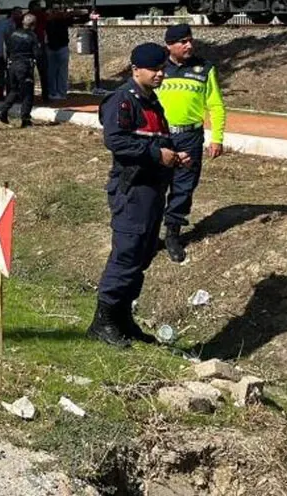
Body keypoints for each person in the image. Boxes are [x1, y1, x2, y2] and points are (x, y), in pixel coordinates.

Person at [88, 42, 192, 348]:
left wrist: (174, 155)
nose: (160, 74)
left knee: (144, 253)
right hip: (132, 190)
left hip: (153, 190)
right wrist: (155, 153)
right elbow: (116, 141)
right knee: (127, 254)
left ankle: (123, 317)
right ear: (136, 70)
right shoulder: (123, 101)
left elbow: (159, 140)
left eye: (163, 69)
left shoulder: (153, 102)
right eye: (154, 69)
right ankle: (103, 321)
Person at [157, 24, 227, 264]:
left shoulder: (204, 68)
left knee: (183, 188)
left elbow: (216, 105)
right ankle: (147, 235)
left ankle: (173, 235)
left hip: (190, 138)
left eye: (190, 40)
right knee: (153, 185)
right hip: (159, 136)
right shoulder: (156, 68)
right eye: (182, 41)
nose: (189, 45)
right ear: (169, 45)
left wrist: (217, 137)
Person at [0, 13, 43, 127]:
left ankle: (2, 110)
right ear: (33, 25)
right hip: (24, 66)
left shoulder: (13, 33)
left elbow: (6, 48)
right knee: (27, 93)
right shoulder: (32, 36)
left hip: (12, 65)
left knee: (14, 90)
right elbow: (37, 54)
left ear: (23, 23)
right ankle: (25, 119)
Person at [27, 0, 51, 102]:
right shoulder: (41, 15)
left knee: (29, 73)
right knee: (43, 72)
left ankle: (29, 96)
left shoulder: (26, 17)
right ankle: (45, 96)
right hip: (38, 46)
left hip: (29, 47)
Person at [44, 9, 71, 101]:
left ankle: (56, 92)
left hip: (55, 48)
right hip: (60, 47)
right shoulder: (62, 22)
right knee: (60, 72)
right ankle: (60, 93)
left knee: (54, 72)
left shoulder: (49, 23)